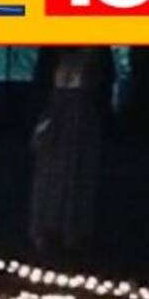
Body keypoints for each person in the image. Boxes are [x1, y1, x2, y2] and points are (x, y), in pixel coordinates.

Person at [29, 46, 112, 252]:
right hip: (57, 121)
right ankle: (46, 229)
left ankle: (72, 230)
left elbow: (102, 87)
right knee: (50, 177)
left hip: (79, 126)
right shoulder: (53, 56)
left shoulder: (95, 57)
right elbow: (42, 87)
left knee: (76, 176)